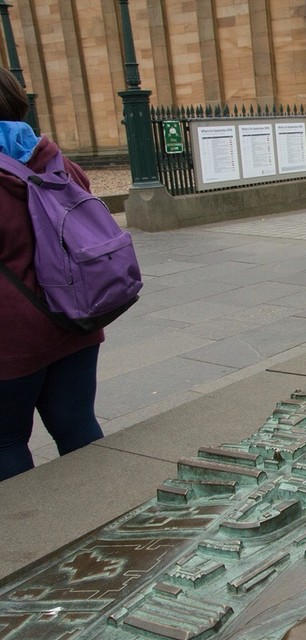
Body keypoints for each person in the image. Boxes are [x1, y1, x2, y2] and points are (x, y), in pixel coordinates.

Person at [0, 67, 104, 481]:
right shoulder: (59, 162)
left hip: (11, 338)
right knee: (78, 425)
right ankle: (106, 513)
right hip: (76, 316)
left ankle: (39, 538)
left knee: (6, 442)